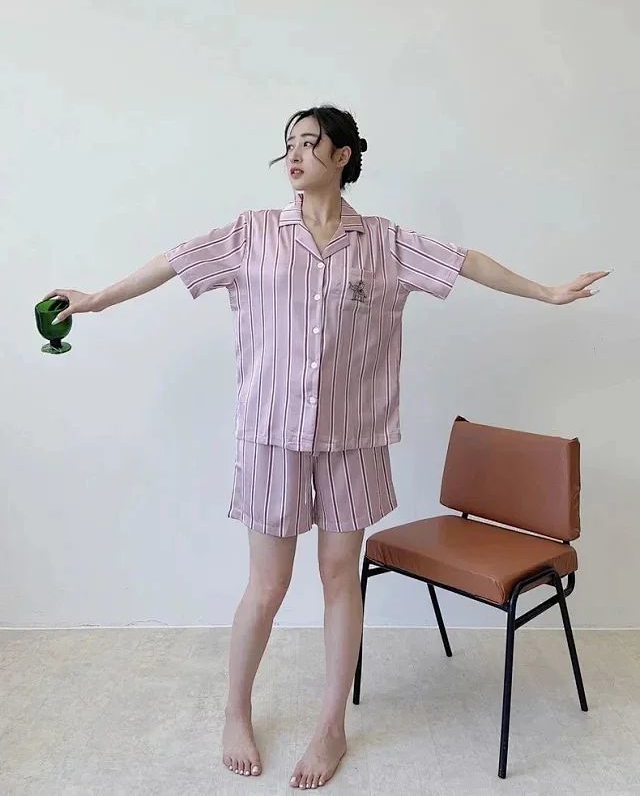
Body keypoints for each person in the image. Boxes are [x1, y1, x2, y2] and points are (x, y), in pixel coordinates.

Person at [44, 104, 610, 789]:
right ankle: (235, 710)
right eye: (288, 143)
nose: (294, 154)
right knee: (267, 586)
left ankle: (331, 725)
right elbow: (172, 261)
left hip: (355, 438)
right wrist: (99, 299)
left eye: (310, 143)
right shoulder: (252, 233)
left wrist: (546, 292)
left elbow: (466, 263)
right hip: (270, 435)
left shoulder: (385, 242)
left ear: (342, 156)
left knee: (340, 578)